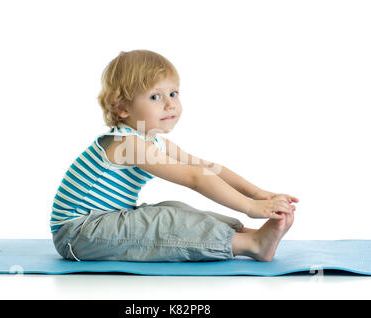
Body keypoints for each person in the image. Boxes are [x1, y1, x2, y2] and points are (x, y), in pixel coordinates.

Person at [51, 49, 299, 263]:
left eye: (173, 93)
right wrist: (251, 206)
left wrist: (258, 194)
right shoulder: (127, 143)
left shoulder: (153, 139)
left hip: (107, 221)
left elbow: (206, 168)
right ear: (123, 108)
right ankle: (251, 244)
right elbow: (195, 178)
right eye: (155, 97)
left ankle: (247, 233)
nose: (170, 104)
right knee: (165, 221)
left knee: (174, 209)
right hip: (76, 234)